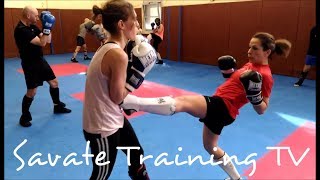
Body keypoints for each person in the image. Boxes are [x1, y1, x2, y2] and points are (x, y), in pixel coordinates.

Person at [120, 32, 292, 179]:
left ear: (267, 52)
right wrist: (229, 72)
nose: (249, 51)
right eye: (249, 46)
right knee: (210, 147)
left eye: (254, 48)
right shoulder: (250, 65)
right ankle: (236, 177)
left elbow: (262, 109)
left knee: (183, 102)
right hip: (223, 108)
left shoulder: (266, 75)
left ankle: (133, 103)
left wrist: (254, 96)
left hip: (223, 106)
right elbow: (237, 84)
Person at [82, 0, 157, 179]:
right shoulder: (117, 54)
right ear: (122, 24)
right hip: (102, 126)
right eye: (135, 19)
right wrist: (137, 75)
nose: (138, 25)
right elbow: (117, 97)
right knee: (101, 175)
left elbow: (107, 90)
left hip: (112, 117)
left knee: (136, 155)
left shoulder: (108, 47)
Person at [14, 6, 72, 128]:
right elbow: (42, 43)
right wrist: (46, 28)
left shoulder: (32, 26)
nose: (37, 18)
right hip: (30, 64)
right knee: (32, 91)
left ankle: (57, 106)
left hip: (40, 61)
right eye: (35, 15)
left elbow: (48, 40)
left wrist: (48, 27)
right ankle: (24, 116)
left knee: (54, 83)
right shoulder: (21, 30)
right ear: (28, 16)